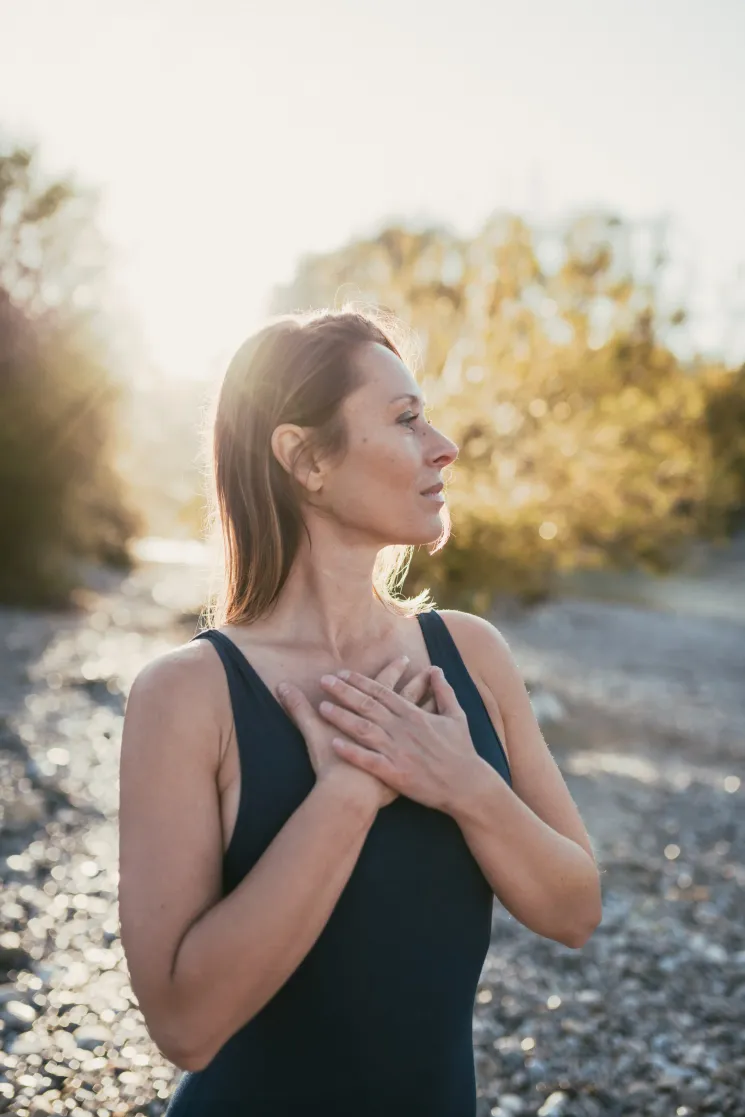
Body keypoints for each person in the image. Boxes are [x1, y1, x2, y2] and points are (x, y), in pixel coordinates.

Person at [118, 308, 602, 1117]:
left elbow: (574, 909)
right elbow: (185, 1026)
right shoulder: (187, 694)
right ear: (304, 457)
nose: (443, 444)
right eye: (406, 419)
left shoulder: (470, 655)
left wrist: (461, 782)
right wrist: (344, 796)